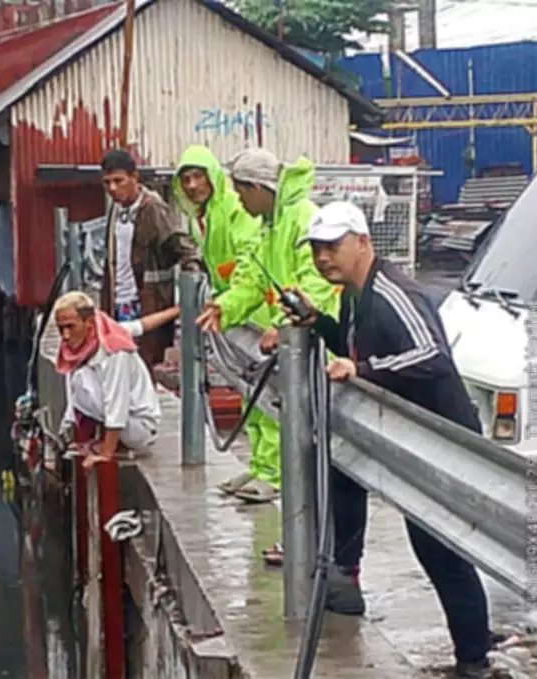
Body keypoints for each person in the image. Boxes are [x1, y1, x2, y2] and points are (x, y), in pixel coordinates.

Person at [281, 200, 492, 679]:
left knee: (443, 550)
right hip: (411, 439)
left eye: (332, 247)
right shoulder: (354, 295)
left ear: (362, 242)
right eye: (316, 250)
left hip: (443, 438)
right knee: (432, 547)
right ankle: (472, 649)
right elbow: (359, 348)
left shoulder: (394, 291)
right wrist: (319, 323)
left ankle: (474, 659)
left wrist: (365, 369)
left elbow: (432, 355)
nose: (322, 258)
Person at [195, 148, 340, 510]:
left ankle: (282, 483)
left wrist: (283, 326)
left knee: (299, 424)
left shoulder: (302, 219)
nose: (239, 199)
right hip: (289, 338)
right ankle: (265, 468)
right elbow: (254, 279)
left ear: (259, 187)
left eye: (242, 191)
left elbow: (316, 284)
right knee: (262, 402)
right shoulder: (271, 225)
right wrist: (225, 307)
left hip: (317, 341)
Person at [172, 145, 278, 503]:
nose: (192, 185)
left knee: (267, 393)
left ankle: (273, 470)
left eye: (198, 176)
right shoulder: (201, 217)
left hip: (254, 311)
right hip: (233, 308)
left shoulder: (233, 209)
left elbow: (250, 259)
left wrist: (230, 296)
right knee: (249, 391)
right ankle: (261, 465)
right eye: (185, 179)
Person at [100, 149, 201, 369]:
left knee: (143, 366)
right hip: (118, 302)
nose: (113, 189)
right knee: (119, 363)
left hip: (147, 303)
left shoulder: (152, 208)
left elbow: (183, 247)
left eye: (119, 181)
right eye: (107, 183)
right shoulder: (116, 210)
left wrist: (191, 287)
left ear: (134, 178)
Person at [54, 291, 165, 470]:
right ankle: (92, 437)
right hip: (115, 418)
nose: (65, 336)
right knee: (78, 373)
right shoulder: (92, 334)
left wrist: (106, 454)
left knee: (84, 378)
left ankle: (109, 444)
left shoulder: (114, 349)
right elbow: (142, 325)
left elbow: (116, 404)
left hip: (139, 427)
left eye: (70, 327)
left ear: (89, 323)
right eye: (61, 329)